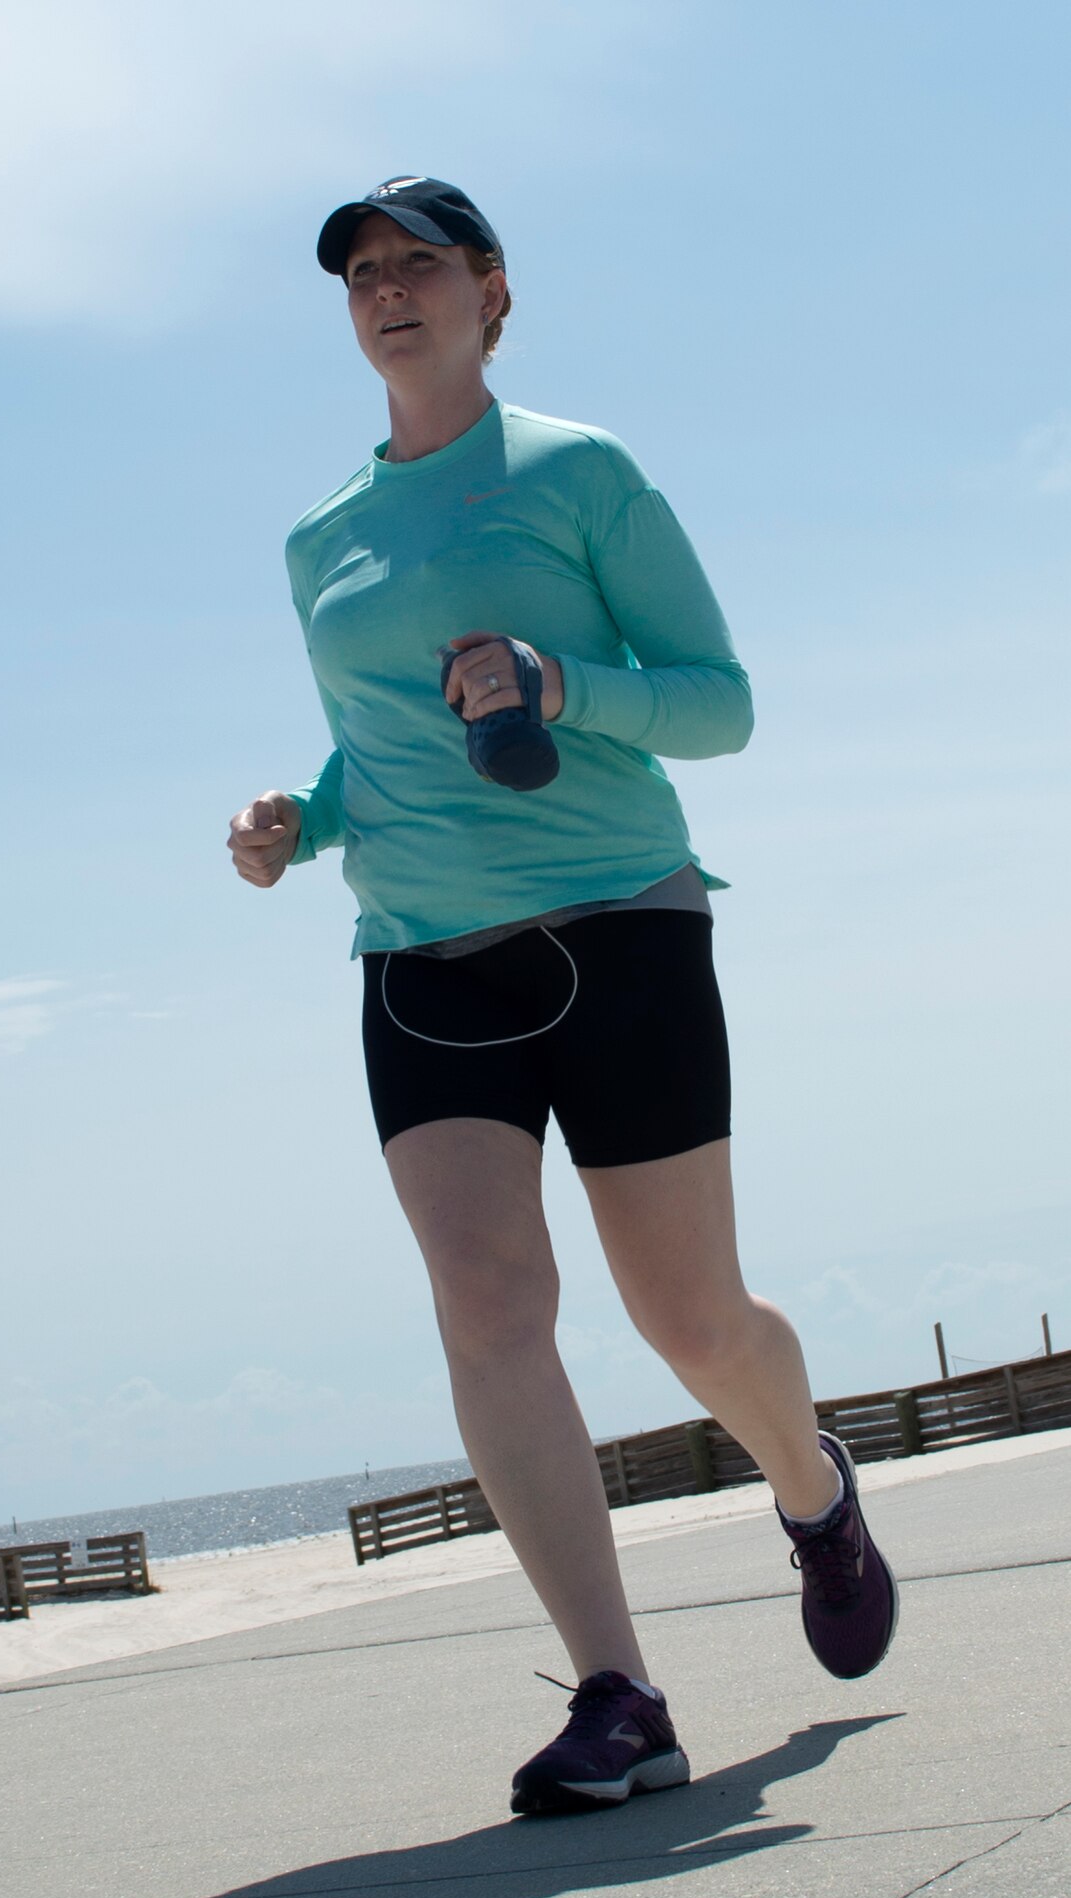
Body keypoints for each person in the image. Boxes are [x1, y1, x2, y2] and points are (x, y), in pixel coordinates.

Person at [228, 177, 898, 1816]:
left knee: (691, 1322)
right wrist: (300, 822)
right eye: (364, 274)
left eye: (421, 264)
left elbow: (720, 707)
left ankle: (812, 1486)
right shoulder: (322, 533)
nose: (390, 290)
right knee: (487, 1307)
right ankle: (622, 1692)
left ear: (492, 294)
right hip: (420, 961)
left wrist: (553, 685)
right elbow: (379, 736)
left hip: (621, 928)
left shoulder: (581, 473)